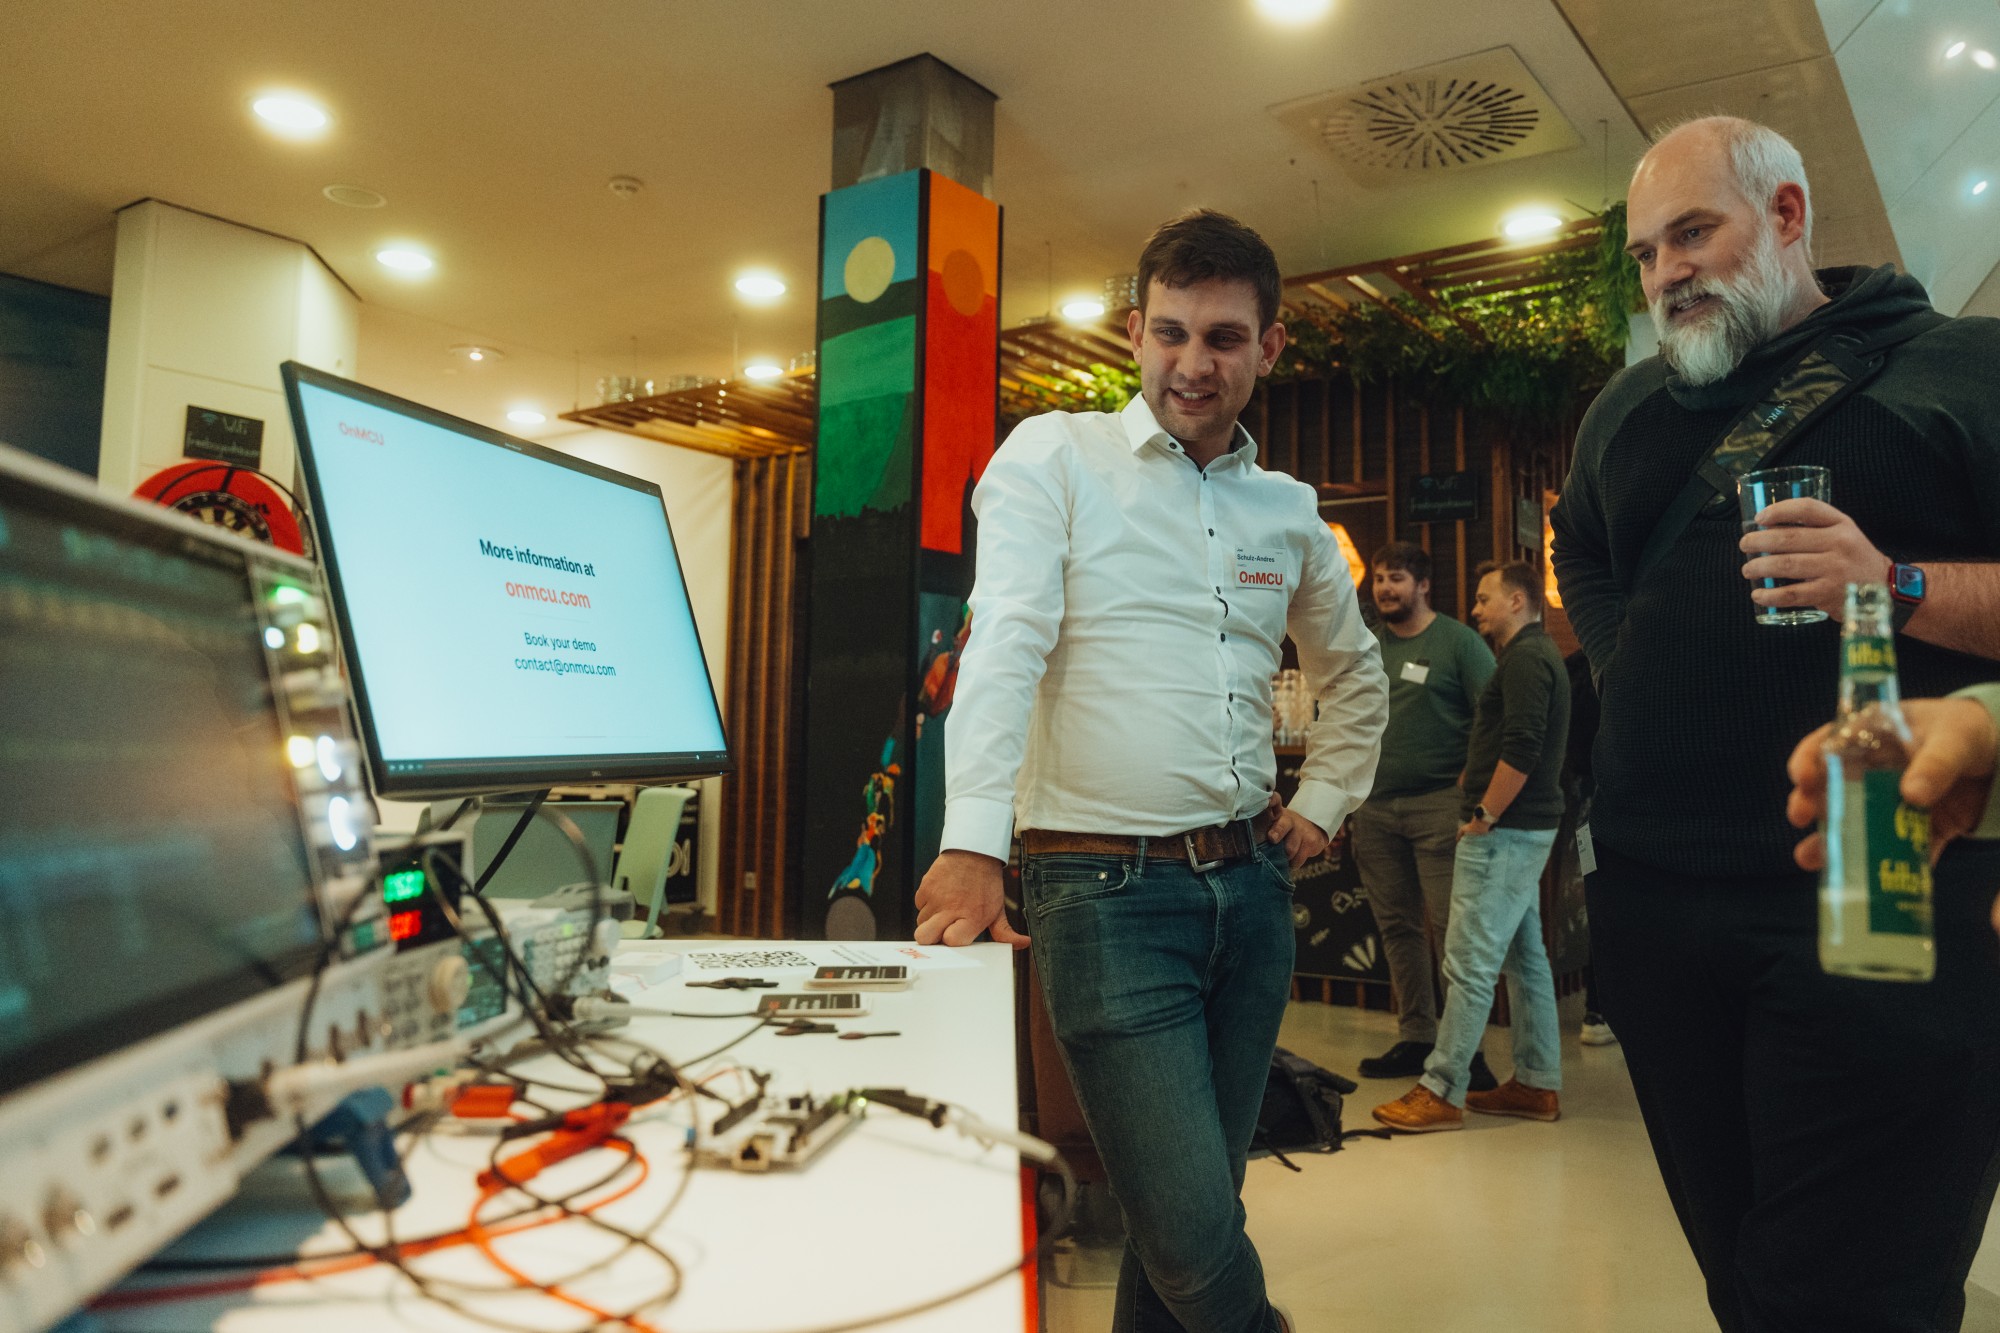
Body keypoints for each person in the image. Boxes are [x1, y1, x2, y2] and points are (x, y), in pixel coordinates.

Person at [1550, 115, 2000, 1330]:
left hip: (1883, 881)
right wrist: (1631, 661)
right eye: (1644, 253)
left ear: (1787, 215)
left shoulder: (1958, 367)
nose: (1664, 273)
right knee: (1743, 1280)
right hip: (1655, 901)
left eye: (1691, 233)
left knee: (1854, 1292)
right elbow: (1579, 544)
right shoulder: (1626, 409)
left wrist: (1894, 582)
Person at [912, 208, 1387, 1333]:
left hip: (1251, 893)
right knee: (1187, 1232)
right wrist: (971, 840)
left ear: (1269, 347)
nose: (1192, 363)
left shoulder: (1289, 512)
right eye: (1170, 332)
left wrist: (1323, 800)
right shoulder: (1055, 457)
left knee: (1197, 1205)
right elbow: (1006, 639)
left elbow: (1357, 676)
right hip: (1102, 894)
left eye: (1224, 338)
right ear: (1133, 332)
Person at [1372, 560, 1569, 1132]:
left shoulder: (1527, 658)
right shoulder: (1533, 654)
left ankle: (1441, 1088)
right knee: (1525, 958)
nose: (1476, 608)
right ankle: (1537, 1083)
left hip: (1506, 831)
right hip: (1523, 828)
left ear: (1517, 601)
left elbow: (1523, 746)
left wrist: (1485, 814)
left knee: (1468, 962)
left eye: (1485, 598)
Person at [1348, 541, 1498, 1085]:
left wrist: (1468, 783)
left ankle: (1465, 1049)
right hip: (1374, 808)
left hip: (1440, 807)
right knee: (1398, 929)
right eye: (1379, 579)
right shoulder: (1368, 645)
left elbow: (1496, 715)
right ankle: (1416, 1037)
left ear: (1424, 585)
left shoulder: (1458, 643)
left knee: (1453, 931)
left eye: (1397, 579)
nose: (1385, 589)